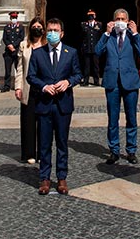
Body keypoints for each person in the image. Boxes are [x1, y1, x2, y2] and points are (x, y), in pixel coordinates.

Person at [27, 19, 83, 195]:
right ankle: (44, 178)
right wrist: (44, 86)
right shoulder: (38, 53)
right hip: (44, 104)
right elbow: (31, 76)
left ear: (62, 33)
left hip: (63, 104)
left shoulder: (71, 52)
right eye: (50, 30)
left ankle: (61, 178)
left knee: (62, 143)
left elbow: (78, 74)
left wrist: (68, 82)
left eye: (56, 30)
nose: (52, 33)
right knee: (44, 144)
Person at [95, 7, 140, 165]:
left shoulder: (132, 37)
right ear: (113, 21)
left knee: (131, 118)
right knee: (113, 118)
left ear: (128, 21)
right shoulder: (109, 37)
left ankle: (131, 150)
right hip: (112, 82)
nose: (120, 22)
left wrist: (136, 34)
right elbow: (97, 51)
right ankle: (114, 150)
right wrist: (106, 33)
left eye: (123, 19)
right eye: (117, 19)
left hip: (130, 81)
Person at [14, 16, 46, 164]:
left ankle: (42, 152)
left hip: (44, 87)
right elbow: (20, 67)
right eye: (34, 27)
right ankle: (29, 153)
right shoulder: (24, 45)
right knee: (28, 121)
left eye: (39, 27)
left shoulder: (47, 45)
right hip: (28, 87)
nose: (37, 29)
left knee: (44, 122)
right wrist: (18, 87)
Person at [1, 11, 24, 92]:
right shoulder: (6, 27)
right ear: (10, 18)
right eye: (13, 18)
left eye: (15, 18)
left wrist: (13, 45)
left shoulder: (20, 27)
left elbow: (21, 38)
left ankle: (18, 85)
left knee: (18, 70)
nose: (14, 19)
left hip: (17, 51)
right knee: (8, 71)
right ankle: (7, 86)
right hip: (8, 52)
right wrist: (9, 45)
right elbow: (5, 38)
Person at [80, 10, 102, 86]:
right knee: (86, 66)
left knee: (96, 66)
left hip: (95, 48)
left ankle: (96, 81)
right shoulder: (83, 25)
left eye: (92, 15)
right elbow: (82, 36)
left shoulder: (99, 25)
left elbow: (100, 36)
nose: (90, 17)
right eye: (89, 15)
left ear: (95, 16)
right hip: (87, 48)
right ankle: (86, 81)